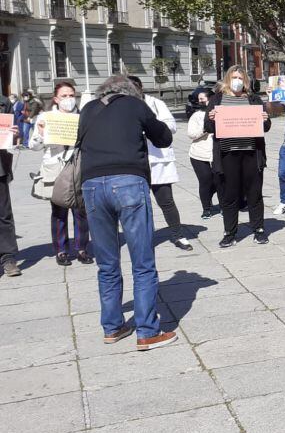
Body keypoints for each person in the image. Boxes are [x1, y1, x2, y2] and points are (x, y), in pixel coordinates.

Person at [79, 75, 176, 350]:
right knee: (142, 261)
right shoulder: (135, 106)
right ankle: (147, 331)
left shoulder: (88, 109)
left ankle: (112, 327)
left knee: (106, 263)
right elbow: (165, 138)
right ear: (131, 92)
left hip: (92, 185)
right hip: (128, 182)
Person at [205, 66, 271, 247]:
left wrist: (265, 119)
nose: (237, 81)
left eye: (240, 77)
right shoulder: (217, 100)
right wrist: (211, 118)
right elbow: (209, 128)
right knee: (229, 194)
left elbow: (265, 128)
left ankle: (258, 230)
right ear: (228, 79)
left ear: (246, 81)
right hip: (228, 154)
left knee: (254, 193)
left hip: (251, 152)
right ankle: (230, 233)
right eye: (234, 77)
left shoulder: (254, 99)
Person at [29, 80, 93, 266]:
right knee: (58, 210)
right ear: (56, 99)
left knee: (81, 210)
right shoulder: (46, 117)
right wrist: (41, 133)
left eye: (71, 95)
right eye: (64, 96)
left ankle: (81, 247)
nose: (68, 99)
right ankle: (61, 250)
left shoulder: (83, 116)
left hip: (78, 166)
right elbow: (33, 145)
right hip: (55, 167)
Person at [128, 76, 192, 252]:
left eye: (134, 87)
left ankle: (178, 235)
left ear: (141, 88)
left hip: (157, 161)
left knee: (166, 201)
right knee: (137, 204)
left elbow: (171, 126)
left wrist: (151, 126)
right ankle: (142, 240)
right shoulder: (122, 107)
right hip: (133, 162)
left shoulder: (155, 103)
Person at [186, 89, 218, 218]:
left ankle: (217, 203)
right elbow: (191, 134)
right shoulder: (196, 116)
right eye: (199, 99)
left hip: (216, 153)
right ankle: (206, 208)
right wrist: (206, 127)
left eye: (202, 98)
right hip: (199, 154)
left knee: (218, 181)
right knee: (205, 180)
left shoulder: (220, 113)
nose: (200, 101)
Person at [0, 94, 20, 276]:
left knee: (3, 214)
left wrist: (14, 134)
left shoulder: (3, 102)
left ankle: (8, 258)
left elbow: (12, 137)